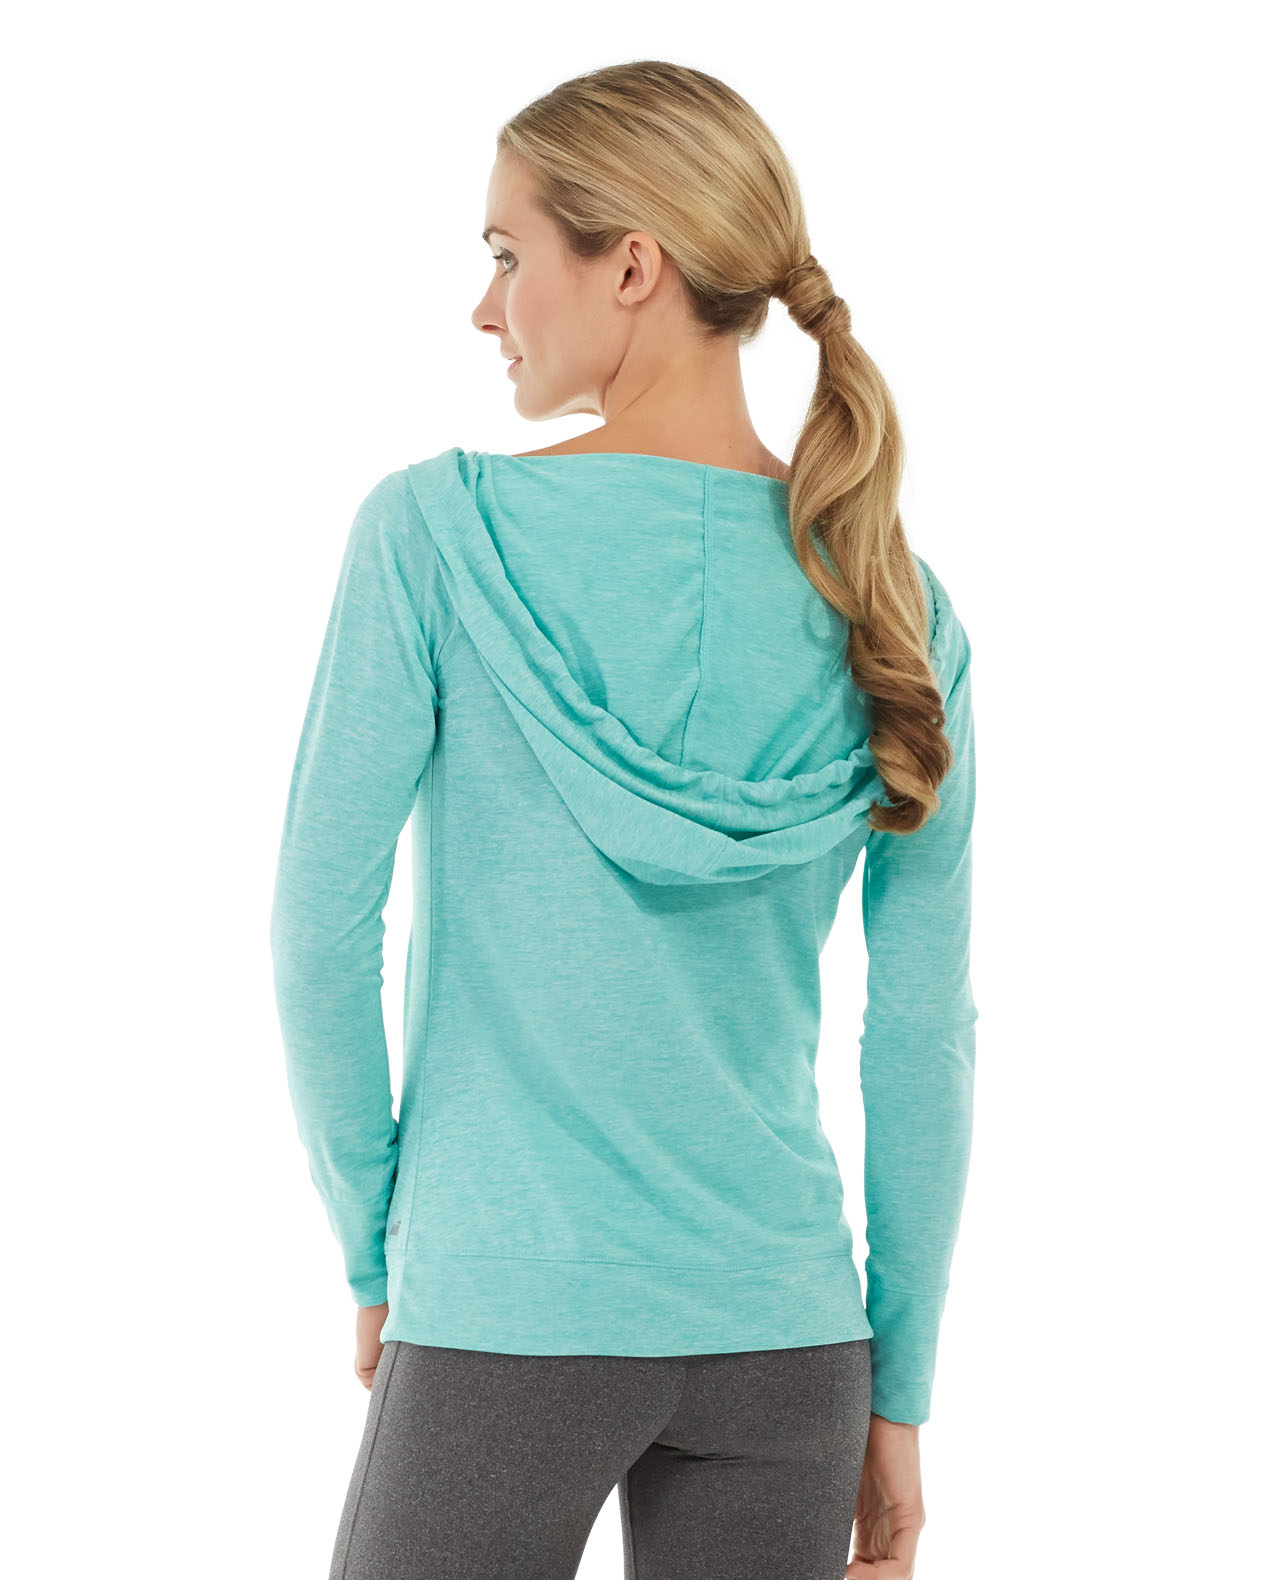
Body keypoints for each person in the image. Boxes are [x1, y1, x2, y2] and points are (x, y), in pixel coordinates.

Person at [269, 59, 977, 1580]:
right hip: (790, 1340)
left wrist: (380, 1245)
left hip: (511, 1305)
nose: (486, 308)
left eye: (506, 253)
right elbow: (921, 1034)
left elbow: (318, 930)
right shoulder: (895, 608)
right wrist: (898, 1384)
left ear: (633, 265)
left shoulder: (437, 536)